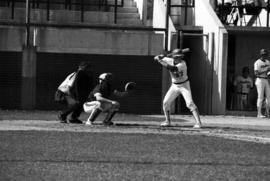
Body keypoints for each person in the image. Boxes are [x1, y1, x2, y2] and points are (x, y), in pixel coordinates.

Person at [154, 49, 202, 128]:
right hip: (174, 86)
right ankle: (168, 121)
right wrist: (159, 56)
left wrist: (159, 60)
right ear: (173, 57)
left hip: (184, 85)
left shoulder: (183, 64)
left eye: (180, 57)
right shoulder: (169, 60)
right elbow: (159, 58)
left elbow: (171, 68)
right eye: (177, 57)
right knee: (166, 102)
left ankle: (198, 123)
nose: (178, 59)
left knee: (189, 103)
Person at [254, 49, 270, 118]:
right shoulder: (257, 62)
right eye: (263, 54)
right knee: (260, 97)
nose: (264, 55)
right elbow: (256, 73)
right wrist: (265, 70)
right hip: (260, 79)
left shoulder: (268, 62)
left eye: (266, 54)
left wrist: (268, 73)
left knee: (269, 97)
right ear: (261, 55)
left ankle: (267, 113)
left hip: (266, 79)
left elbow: (268, 72)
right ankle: (259, 113)